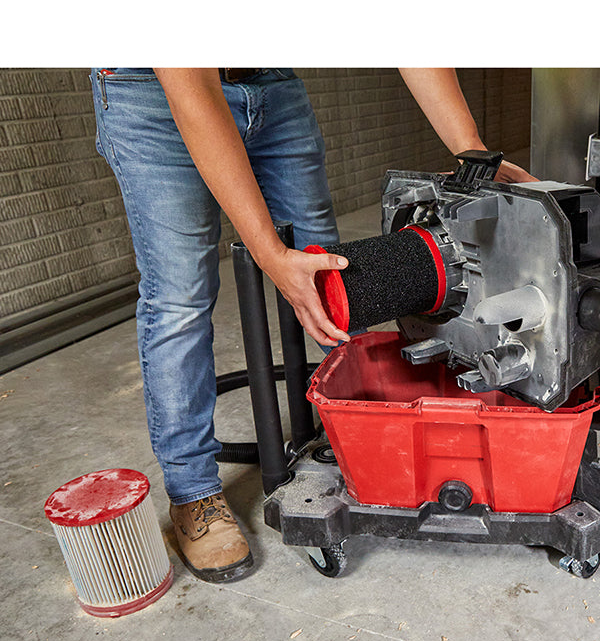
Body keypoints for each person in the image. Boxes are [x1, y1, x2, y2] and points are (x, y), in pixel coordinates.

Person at [92, 67, 533, 583]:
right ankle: (194, 493)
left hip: (269, 83)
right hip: (156, 93)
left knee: (335, 273)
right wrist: (271, 255)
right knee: (181, 296)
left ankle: (367, 430)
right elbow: (194, 91)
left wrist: (471, 152)